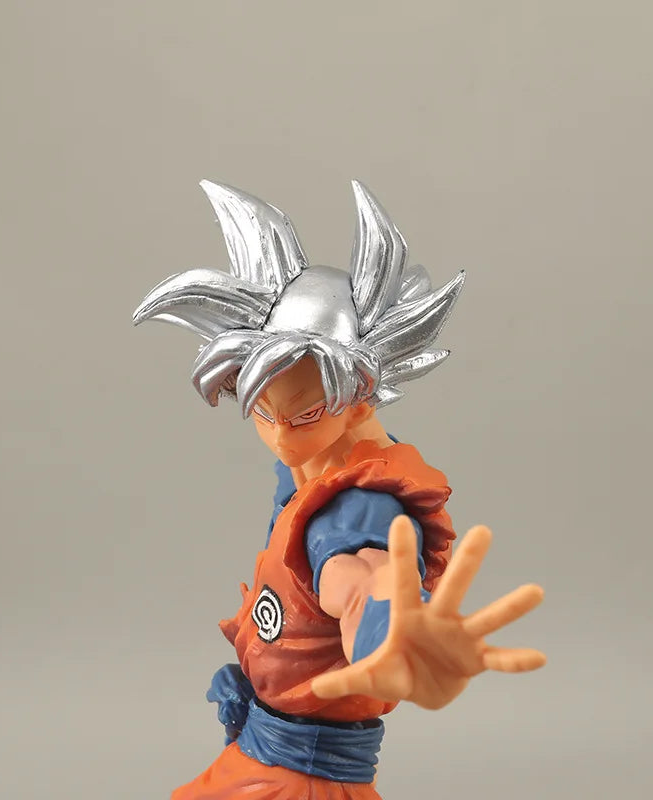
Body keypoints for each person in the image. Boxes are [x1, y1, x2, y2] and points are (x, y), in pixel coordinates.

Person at [134, 180, 546, 799]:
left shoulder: (357, 508)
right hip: (261, 751)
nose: (280, 437)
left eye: (303, 415)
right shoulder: (308, 467)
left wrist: (397, 636)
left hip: (300, 778)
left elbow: (361, 579)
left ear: (358, 396)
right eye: (262, 413)